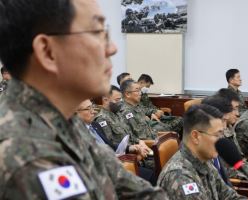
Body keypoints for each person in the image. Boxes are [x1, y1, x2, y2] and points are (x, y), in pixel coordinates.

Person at [0, 0, 167, 199]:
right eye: (97, 32)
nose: (112, 48)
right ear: (47, 51)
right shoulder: (25, 156)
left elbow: (135, 189)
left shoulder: (66, 121)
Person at [157, 104, 246, 200]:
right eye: (217, 135)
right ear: (195, 136)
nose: (221, 141)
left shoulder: (205, 161)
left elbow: (229, 196)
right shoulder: (180, 176)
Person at [214, 88, 248, 179]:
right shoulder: (216, 134)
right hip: (235, 181)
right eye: (234, 109)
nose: (238, 114)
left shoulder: (229, 127)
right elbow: (225, 170)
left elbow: (240, 160)